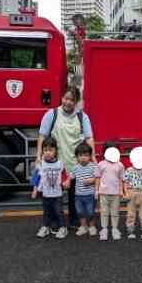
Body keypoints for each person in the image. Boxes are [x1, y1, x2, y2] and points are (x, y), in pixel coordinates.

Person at [37, 87, 96, 228]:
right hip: (55, 164)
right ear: (61, 98)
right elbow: (42, 136)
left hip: (75, 163)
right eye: (65, 98)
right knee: (54, 196)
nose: (68, 102)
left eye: (71, 100)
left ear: (76, 102)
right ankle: (53, 222)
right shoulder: (52, 114)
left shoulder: (82, 116)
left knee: (74, 195)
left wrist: (93, 157)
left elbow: (89, 138)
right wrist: (38, 156)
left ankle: (74, 221)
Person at [31, 137, 70, 239]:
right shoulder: (41, 164)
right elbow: (37, 177)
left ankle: (62, 228)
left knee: (58, 211)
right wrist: (35, 190)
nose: (48, 152)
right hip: (45, 194)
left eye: (50, 150)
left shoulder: (60, 164)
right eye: (45, 150)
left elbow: (64, 176)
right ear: (42, 151)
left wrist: (66, 182)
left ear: (55, 151)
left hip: (57, 194)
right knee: (46, 212)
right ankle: (45, 227)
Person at [123, 147, 142, 240]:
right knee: (130, 213)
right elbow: (125, 182)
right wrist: (125, 193)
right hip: (131, 192)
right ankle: (130, 230)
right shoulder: (129, 170)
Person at [95, 143, 124, 241]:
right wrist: (96, 190)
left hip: (115, 193)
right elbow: (98, 178)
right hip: (103, 193)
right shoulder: (101, 164)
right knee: (104, 212)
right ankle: (104, 229)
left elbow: (121, 179)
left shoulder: (120, 165)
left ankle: (115, 229)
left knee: (115, 212)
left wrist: (121, 191)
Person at [69, 141, 98, 237]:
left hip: (90, 195)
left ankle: (92, 226)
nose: (83, 158)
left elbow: (98, 178)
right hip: (78, 195)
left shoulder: (93, 166)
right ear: (77, 156)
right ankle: (83, 226)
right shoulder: (75, 167)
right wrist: (67, 182)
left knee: (90, 212)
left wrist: (92, 180)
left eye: (86, 155)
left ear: (90, 156)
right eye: (80, 155)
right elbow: (71, 177)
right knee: (80, 212)